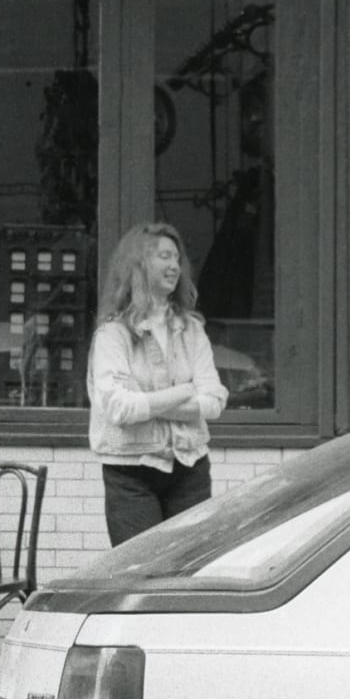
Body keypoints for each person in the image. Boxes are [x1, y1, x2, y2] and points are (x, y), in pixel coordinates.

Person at [88, 221, 228, 547]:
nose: (174, 266)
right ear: (138, 264)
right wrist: (184, 391)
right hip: (131, 473)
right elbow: (119, 408)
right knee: (139, 576)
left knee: (191, 571)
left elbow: (214, 402)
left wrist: (149, 404)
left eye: (177, 258)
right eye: (164, 256)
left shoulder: (191, 330)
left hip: (190, 468)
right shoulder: (113, 335)